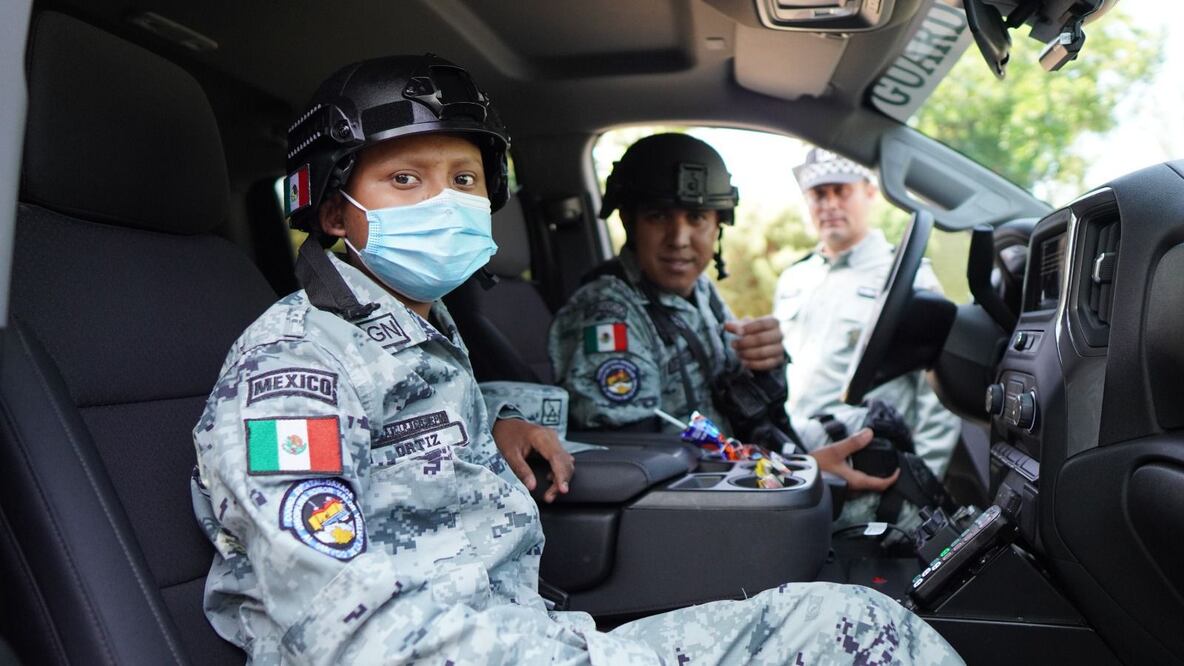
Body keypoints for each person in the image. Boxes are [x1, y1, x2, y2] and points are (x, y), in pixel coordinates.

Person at [191, 57, 961, 664]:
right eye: (404, 179)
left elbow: (403, 444)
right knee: (856, 635)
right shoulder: (290, 369)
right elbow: (347, 638)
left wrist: (496, 421)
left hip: (516, 620)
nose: (443, 202)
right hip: (471, 648)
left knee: (855, 621)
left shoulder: (417, 334)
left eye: (462, 180)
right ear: (334, 210)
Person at [549, 133, 901, 494]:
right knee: (888, 501)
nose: (680, 238)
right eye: (657, 216)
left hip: (728, 472)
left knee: (880, 438)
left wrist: (766, 364)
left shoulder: (700, 293)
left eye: (697, 217)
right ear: (629, 222)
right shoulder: (607, 313)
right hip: (690, 502)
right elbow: (640, 465)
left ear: (718, 224)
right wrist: (792, 473)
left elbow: (738, 409)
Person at [773, 149, 961, 482]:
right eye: (818, 194)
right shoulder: (794, 279)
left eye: (841, 190)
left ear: (869, 192)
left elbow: (938, 397)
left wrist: (917, 485)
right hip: (799, 464)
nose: (829, 204)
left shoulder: (909, 278)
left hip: (871, 474)